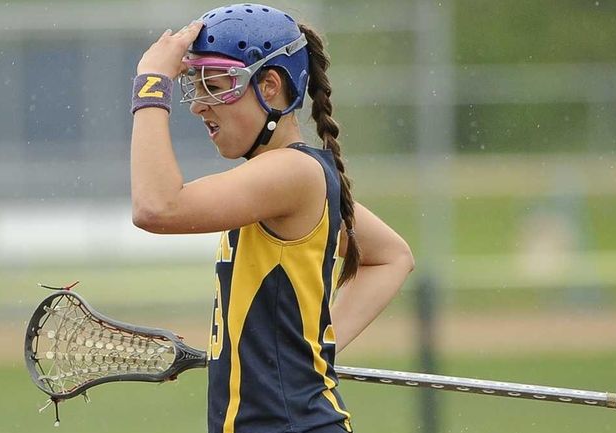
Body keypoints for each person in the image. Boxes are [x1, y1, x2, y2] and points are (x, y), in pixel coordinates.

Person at [129, 4, 414, 433]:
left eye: (214, 84)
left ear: (269, 85)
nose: (199, 105)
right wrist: (314, 346)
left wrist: (151, 85)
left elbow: (156, 207)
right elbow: (391, 256)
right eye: (195, 85)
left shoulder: (290, 174)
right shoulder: (287, 177)